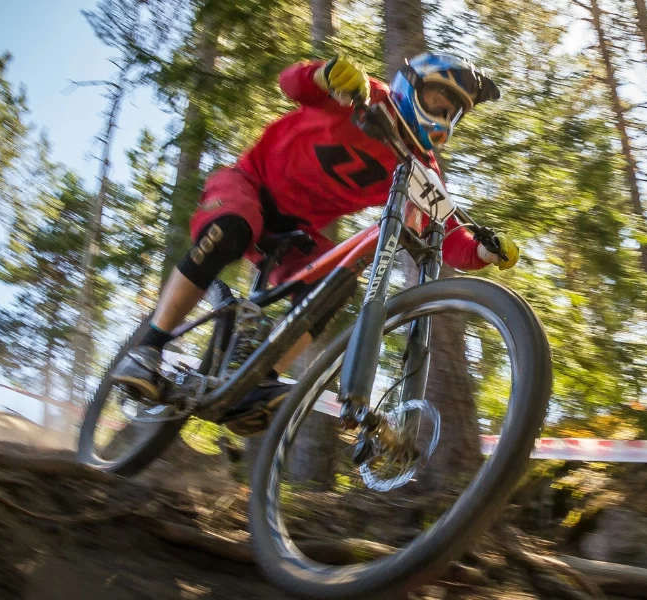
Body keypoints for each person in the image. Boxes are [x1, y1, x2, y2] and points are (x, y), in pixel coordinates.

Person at [109, 53, 519, 434]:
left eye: (452, 112)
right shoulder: (364, 95)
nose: (443, 116)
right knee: (233, 228)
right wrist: (325, 75)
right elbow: (293, 83)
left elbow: (442, 232)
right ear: (409, 85)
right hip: (246, 185)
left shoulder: (420, 169)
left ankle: (256, 380)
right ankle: (147, 349)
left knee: (332, 288)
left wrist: (483, 252)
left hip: (296, 233)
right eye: (437, 100)